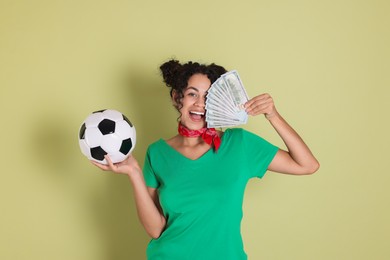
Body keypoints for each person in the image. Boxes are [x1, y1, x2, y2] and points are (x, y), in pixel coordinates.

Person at [92, 59, 320, 260]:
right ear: (177, 98)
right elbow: (156, 230)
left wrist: (273, 114)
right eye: (193, 94)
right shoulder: (157, 152)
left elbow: (307, 165)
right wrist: (134, 173)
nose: (201, 104)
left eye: (209, 96)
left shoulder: (239, 144)